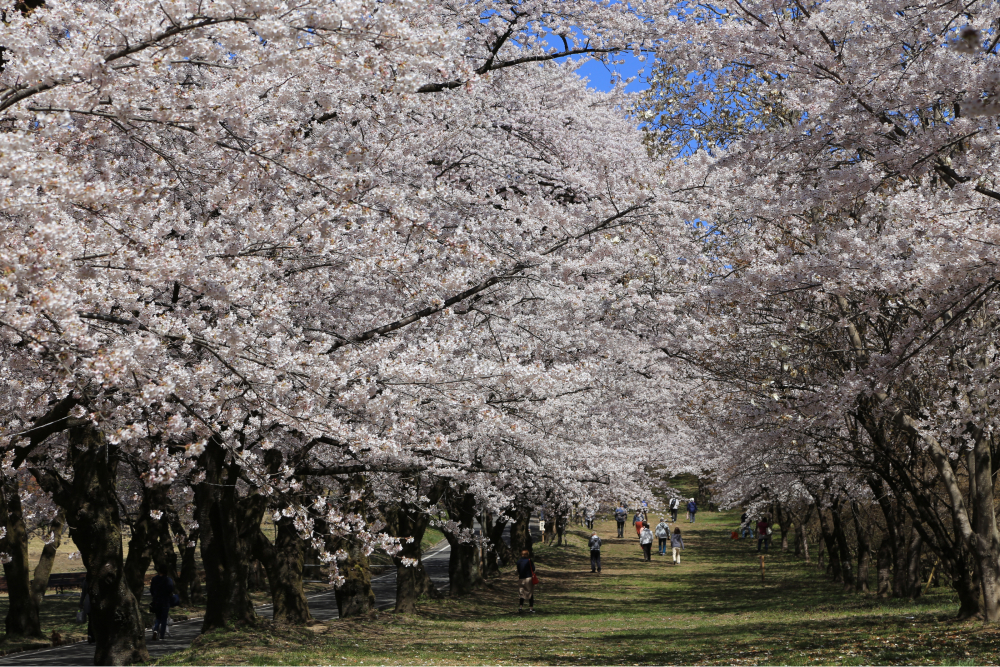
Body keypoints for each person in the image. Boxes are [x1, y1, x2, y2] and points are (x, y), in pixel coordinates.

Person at [149, 563, 175, 641]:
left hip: (156, 601)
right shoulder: (168, 579)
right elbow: (171, 589)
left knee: (158, 618)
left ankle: (156, 630)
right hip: (165, 601)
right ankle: (162, 635)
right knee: (164, 619)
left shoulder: (154, 579)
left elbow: (151, 590)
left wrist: (155, 596)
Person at [79, 576, 94, 644]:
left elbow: (83, 593)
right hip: (94, 603)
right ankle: (93, 636)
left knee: (91, 621)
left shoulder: (86, 581)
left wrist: (81, 602)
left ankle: (90, 635)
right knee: (95, 620)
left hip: (88, 603)